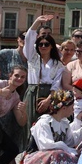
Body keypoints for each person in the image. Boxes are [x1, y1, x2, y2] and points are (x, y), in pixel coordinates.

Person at [21, 90, 82, 164]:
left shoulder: (64, 123)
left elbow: (70, 142)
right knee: (57, 154)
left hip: (52, 156)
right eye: (72, 106)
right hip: (37, 157)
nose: (73, 108)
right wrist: (64, 147)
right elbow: (45, 145)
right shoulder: (44, 122)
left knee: (71, 154)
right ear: (64, 108)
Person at [22, 15, 69, 151]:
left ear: (52, 46)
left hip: (50, 95)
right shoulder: (32, 57)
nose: (43, 46)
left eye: (46, 44)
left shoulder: (58, 64)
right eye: (40, 44)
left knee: (47, 125)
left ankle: (44, 154)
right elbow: (29, 39)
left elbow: (57, 84)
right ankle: (28, 154)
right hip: (32, 92)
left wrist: (48, 100)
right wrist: (37, 22)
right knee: (30, 125)